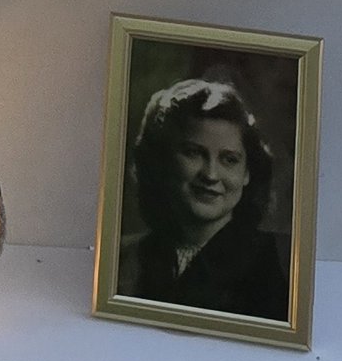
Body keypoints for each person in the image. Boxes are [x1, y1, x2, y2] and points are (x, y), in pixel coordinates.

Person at [117, 77, 290, 323]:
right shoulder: (122, 256)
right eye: (193, 153)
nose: (210, 175)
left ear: (247, 173)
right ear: (162, 160)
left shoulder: (282, 263)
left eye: (229, 159)